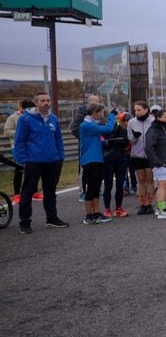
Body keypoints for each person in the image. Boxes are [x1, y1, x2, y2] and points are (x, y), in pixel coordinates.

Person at [13, 92, 67, 233]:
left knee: (50, 191)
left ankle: (52, 218)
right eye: (42, 101)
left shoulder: (53, 118)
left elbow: (58, 139)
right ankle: (25, 223)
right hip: (34, 161)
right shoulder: (25, 119)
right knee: (28, 192)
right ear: (36, 103)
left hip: (53, 160)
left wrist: (60, 156)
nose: (46, 103)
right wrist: (23, 160)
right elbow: (19, 141)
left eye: (48, 100)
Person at [78, 103, 118, 224]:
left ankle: (96, 213)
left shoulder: (92, 125)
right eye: (101, 112)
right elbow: (108, 129)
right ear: (95, 112)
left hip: (97, 158)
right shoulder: (86, 125)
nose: (102, 115)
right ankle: (89, 215)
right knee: (91, 188)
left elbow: (94, 141)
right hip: (90, 160)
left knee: (96, 188)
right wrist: (112, 116)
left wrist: (108, 142)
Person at [145, 108, 166, 220]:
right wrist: (157, 162)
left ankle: (160, 208)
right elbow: (149, 148)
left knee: (164, 185)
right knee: (163, 185)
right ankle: (162, 210)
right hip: (162, 164)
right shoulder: (153, 131)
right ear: (158, 117)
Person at [4, 100, 38, 204]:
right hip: (17, 147)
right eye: (28, 109)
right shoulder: (13, 117)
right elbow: (7, 131)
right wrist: (20, 133)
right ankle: (17, 194)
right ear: (22, 109)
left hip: (31, 147)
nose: (31, 111)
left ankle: (34, 191)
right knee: (19, 168)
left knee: (34, 169)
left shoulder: (34, 117)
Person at [127, 101, 157, 215]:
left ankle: (149, 203)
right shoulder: (131, 122)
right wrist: (134, 137)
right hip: (137, 154)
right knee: (140, 180)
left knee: (149, 179)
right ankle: (142, 204)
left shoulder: (153, 121)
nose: (137, 112)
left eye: (139, 110)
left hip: (150, 154)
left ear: (146, 109)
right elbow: (130, 138)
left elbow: (157, 137)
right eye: (135, 110)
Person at [101, 111, 131, 218]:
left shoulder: (124, 130)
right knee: (108, 185)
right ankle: (107, 208)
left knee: (120, 184)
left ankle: (118, 207)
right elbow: (103, 142)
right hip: (108, 159)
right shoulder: (105, 129)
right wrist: (112, 138)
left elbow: (126, 142)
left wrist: (121, 139)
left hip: (121, 159)